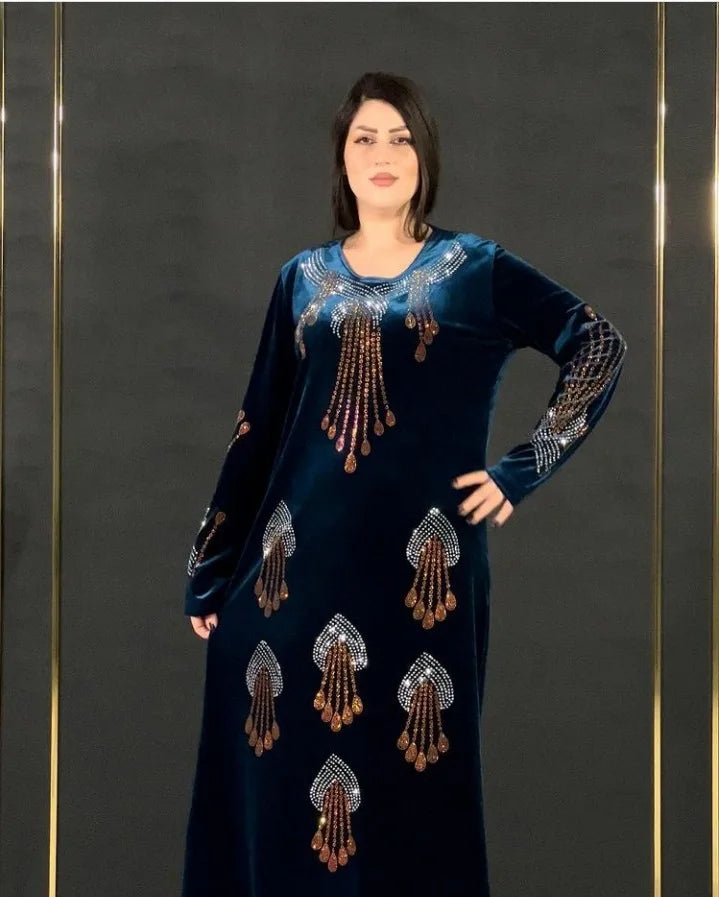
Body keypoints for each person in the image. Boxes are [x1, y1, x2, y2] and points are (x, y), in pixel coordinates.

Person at [180, 71, 628, 897]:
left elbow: (596, 344)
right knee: (280, 785)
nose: (382, 154)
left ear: (425, 156)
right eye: (364, 139)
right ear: (341, 159)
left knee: (412, 788)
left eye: (400, 138)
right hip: (290, 580)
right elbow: (258, 427)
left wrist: (522, 468)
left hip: (422, 578)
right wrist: (212, 567)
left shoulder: (472, 268)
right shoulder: (301, 278)